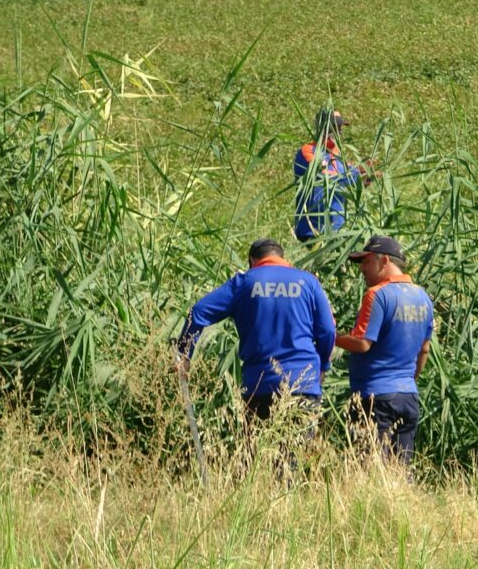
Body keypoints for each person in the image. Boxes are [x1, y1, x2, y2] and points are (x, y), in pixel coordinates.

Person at [175, 238, 336, 444]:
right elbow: (328, 330)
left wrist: (183, 355)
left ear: (252, 261)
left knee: (259, 458)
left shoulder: (244, 282)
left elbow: (198, 313)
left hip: (259, 385)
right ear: (282, 257)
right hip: (303, 382)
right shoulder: (308, 282)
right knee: (294, 455)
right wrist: (323, 365)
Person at [335, 235, 434, 466]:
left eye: (366, 261)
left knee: (368, 471)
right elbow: (425, 350)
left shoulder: (377, 295)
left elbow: (362, 343)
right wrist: (409, 381)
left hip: (375, 398)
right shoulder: (423, 298)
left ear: (384, 261)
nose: (362, 269)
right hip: (408, 397)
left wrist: (331, 338)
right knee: (401, 472)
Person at [293, 108, 375, 242]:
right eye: (335, 127)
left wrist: (366, 172)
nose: (339, 132)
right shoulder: (308, 151)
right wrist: (355, 178)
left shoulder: (336, 154)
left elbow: (350, 173)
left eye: (340, 127)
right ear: (322, 127)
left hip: (338, 229)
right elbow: (325, 178)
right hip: (314, 229)